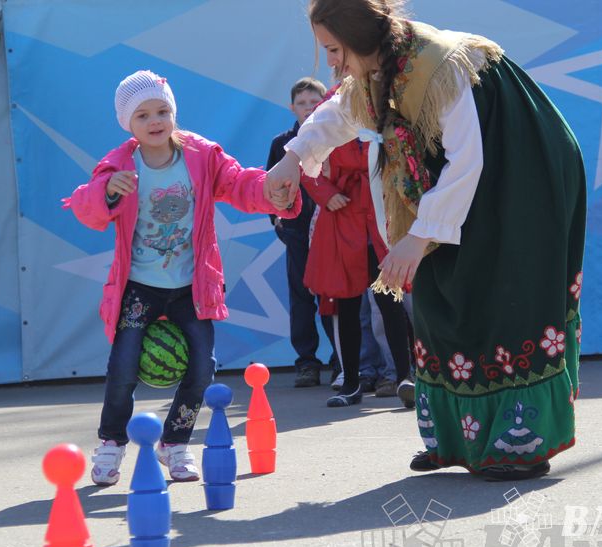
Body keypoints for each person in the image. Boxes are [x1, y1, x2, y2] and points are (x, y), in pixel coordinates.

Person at [265, 0, 587, 481]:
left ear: (358, 36)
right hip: (464, 180)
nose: (332, 62)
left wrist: (417, 238)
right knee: (440, 296)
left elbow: (467, 161)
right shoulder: (379, 66)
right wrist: (293, 157)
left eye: (334, 49)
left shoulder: (437, 66)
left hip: (520, 169)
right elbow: (341, 109)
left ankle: (519, 445)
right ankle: (454, 439)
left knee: (503, 296)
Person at [64, 70, 298, 486]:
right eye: (142, 115)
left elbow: (238, 183)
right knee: (123, 367)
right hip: (139, 287)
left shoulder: (200, 155)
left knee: (202, 371)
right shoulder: (120, 164)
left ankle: (174, 444)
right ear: (128, 124)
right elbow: (85, 207)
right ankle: (111, 443)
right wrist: (109, 192)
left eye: (162, 111)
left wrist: (271, 190)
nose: (155, 121)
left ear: (174, 113)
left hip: (192, 286)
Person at [300, 120, 415, 408]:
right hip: (343, 221)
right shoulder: (329, 110)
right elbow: (304, 161)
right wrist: (326, 194)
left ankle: (405, 377)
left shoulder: (383, 106)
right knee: (346, 306)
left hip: (379, 221)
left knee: (390, 301)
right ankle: (351, 383)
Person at [267, 77, 339, 388]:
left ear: (325, 104)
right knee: (301, 299)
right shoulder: (281, 144)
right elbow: (269, 187)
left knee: (334, 297)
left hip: (331, 232)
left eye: (314, 102)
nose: (309, 109)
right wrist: (279, 223)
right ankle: (307, 363)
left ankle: (342, 360)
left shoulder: (337, 138)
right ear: (291, 107)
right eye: (302, 103)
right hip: (297, 234)